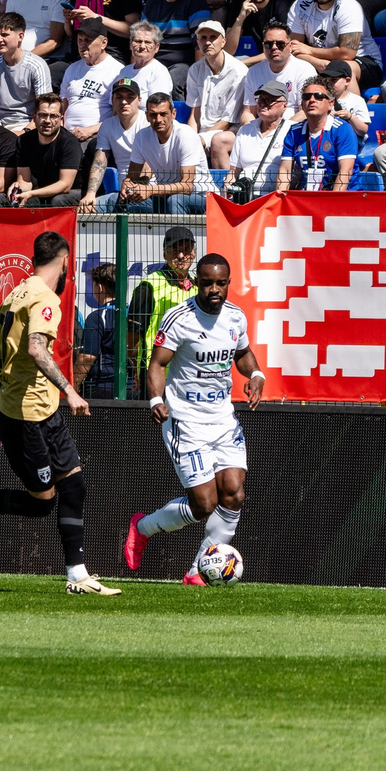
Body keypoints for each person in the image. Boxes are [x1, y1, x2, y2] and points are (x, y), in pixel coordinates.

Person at [0, 230, 118, 595]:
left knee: (74, 485)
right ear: (64, 262)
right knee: (41, 504)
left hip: (40, 411)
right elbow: (36, 349)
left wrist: (13, 394)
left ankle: (78, 577)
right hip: (27, 419)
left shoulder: (15, 293)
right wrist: (69, 390)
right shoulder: (44, 298)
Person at [118, 250, 267, 584]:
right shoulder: (179, 318)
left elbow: (242, 354)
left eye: (221, 283)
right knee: (204, 503)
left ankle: (199, 570)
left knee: (234, 494)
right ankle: (142, 527)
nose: (214, 289)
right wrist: (156, 397)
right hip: (185, 420)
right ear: (197, 283)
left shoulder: (235, 318)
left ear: (228, 283)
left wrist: (256, 375)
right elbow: (157, 363)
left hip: (222, 419)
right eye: (207, 283)